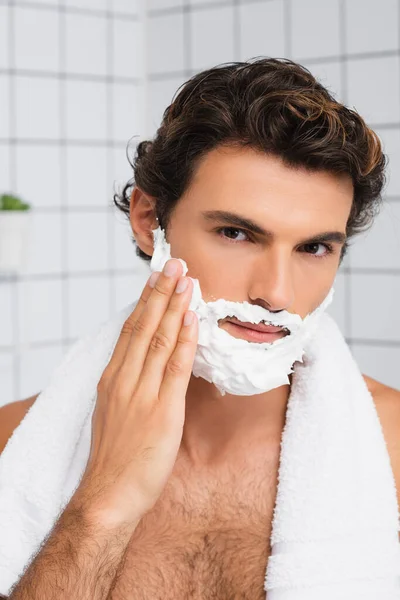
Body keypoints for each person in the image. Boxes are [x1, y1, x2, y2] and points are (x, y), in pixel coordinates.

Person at [1, 57, 400, 599]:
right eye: (237, 233)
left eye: (313, 248)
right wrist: (101, 506)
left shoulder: (392, 449)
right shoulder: (12, 443)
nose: (277, 294)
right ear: (149, 220)